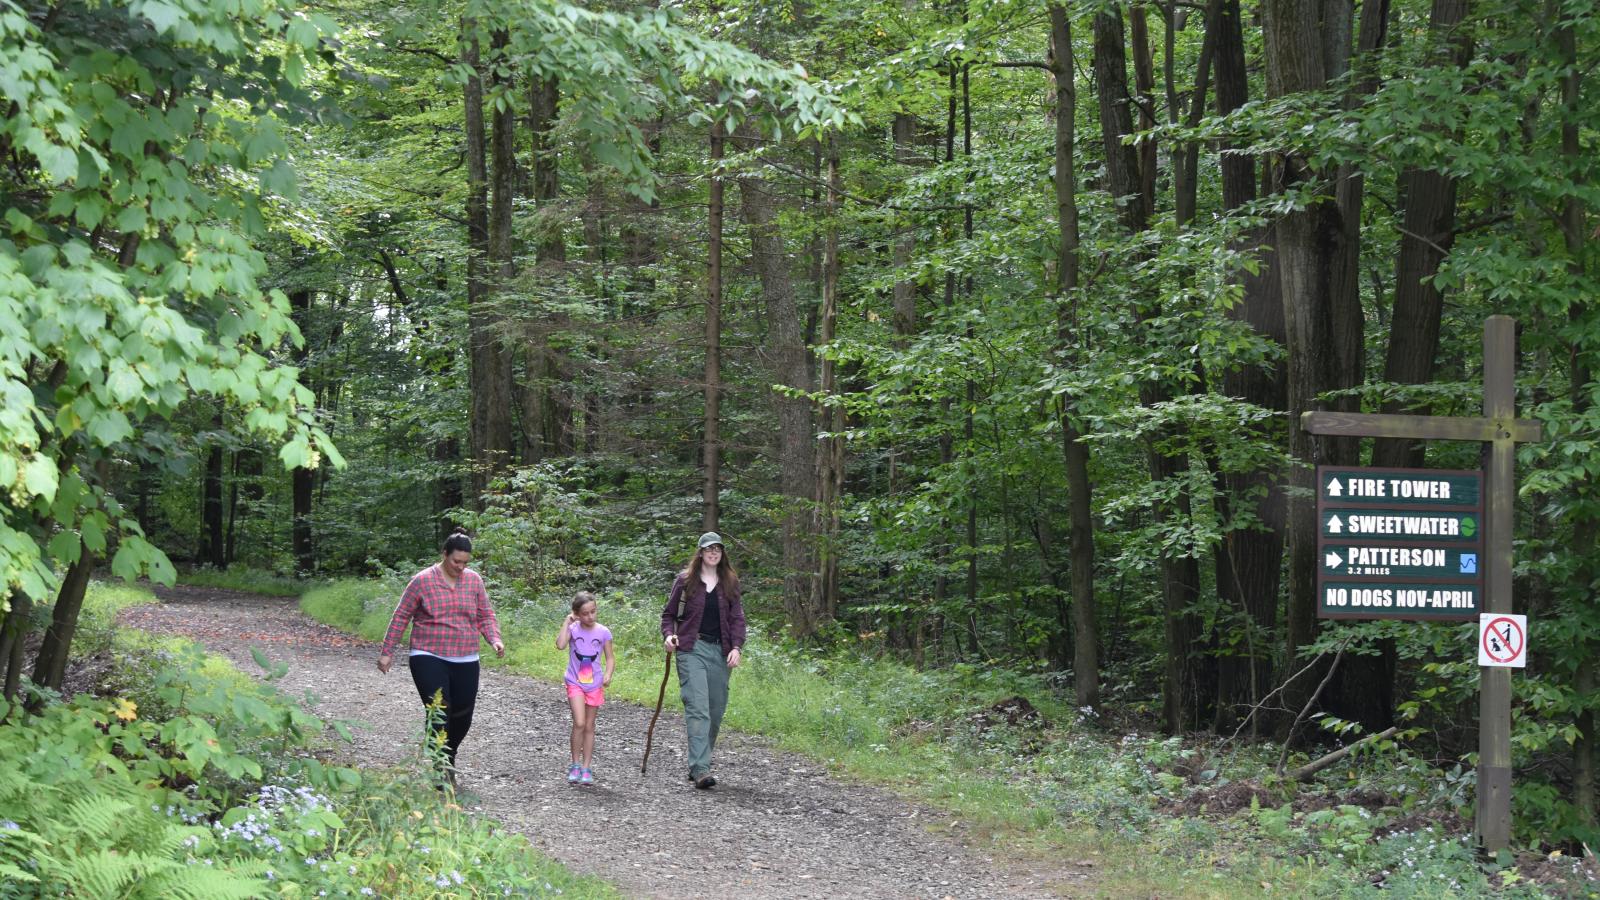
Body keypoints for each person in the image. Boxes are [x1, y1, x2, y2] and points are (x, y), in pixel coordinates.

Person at [377, 531, 505, 786]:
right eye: (456, 561)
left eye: (465, 562)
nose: (461, 567)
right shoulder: (422, 581)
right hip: (428, 653)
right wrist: (387, 651)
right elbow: (401, 615)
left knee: (463, 714)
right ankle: (441, 764)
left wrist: (494, 639)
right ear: (444, 555)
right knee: (439, 709)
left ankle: (449, 752)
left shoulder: (474, 581)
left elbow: (485, 615)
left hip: (466, 656)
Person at [660, 531, 745, 789]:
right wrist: (669, 635)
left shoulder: (730, 581)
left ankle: (700, 760)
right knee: (698, 707)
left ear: (722, 554)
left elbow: (737, 619)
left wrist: (737, 648)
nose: (713, 553)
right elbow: (669, 615)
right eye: (709, 549)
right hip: (691, 648)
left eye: (717, 549)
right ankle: (700, 769)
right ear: (700, 553)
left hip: (720, 652)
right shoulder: (686, 581)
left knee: (715, 709)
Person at [556, 591, 614, 785]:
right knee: (579, 722)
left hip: (594, 684)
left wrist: (608, 674)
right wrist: (567, 622)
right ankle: (575, 764)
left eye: (593, 612)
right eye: (585, 613)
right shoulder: (573, 628)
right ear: (577, 614)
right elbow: (561, 645)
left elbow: (610, 658)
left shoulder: (603, 632)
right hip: (575, 682)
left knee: (589, 726)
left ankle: (587, 767)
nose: (590, 617)